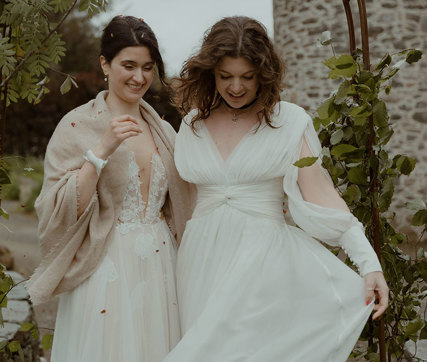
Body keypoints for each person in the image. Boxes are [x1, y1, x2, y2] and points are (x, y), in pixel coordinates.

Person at [164, 16, 389, 362]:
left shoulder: (289, 121)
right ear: (211, 73)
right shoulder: (192, 124)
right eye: (226, 76)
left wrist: (368, 262)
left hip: (263, 263)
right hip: (200, 262)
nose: (236, 87)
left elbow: (322, 195)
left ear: (264, 75)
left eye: (247, 77)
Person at [25, 15, 192, 362]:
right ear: (105, 63)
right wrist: (101, 150)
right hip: (107, 265)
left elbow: (184, 196)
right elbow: (62, 209)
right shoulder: (76, 125)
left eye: (148, 67)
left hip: (162, 264)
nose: (139, 77)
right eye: (128, 65)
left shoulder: (162, 129)